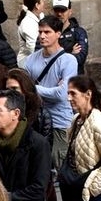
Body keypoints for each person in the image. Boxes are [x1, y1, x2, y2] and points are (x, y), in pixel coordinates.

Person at [23, 15, 79, 166]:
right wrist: (51, 89)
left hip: (59, 121)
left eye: (47, 32)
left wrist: (34, 88)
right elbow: (23, 89)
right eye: (40, 32)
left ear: (58, 34)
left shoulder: (68, 60)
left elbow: (62, 94)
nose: (42, 36)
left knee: (59, 163)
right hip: (37, 120)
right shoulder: (31, 59)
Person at [51, 0, 89, 69]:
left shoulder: (79, 32)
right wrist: (71, 54)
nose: (59, 14)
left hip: (74, 77)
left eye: (63, 10)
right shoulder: (47, 32)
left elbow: (80, 59)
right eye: (56, 10)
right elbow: (44, 59)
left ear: (70, 11)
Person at [15, 0, 43, 66]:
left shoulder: (40, 16)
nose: (44, 3)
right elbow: (32, 48)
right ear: (37, 5)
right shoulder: (28, 23)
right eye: (42, 1)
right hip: (28, 62)